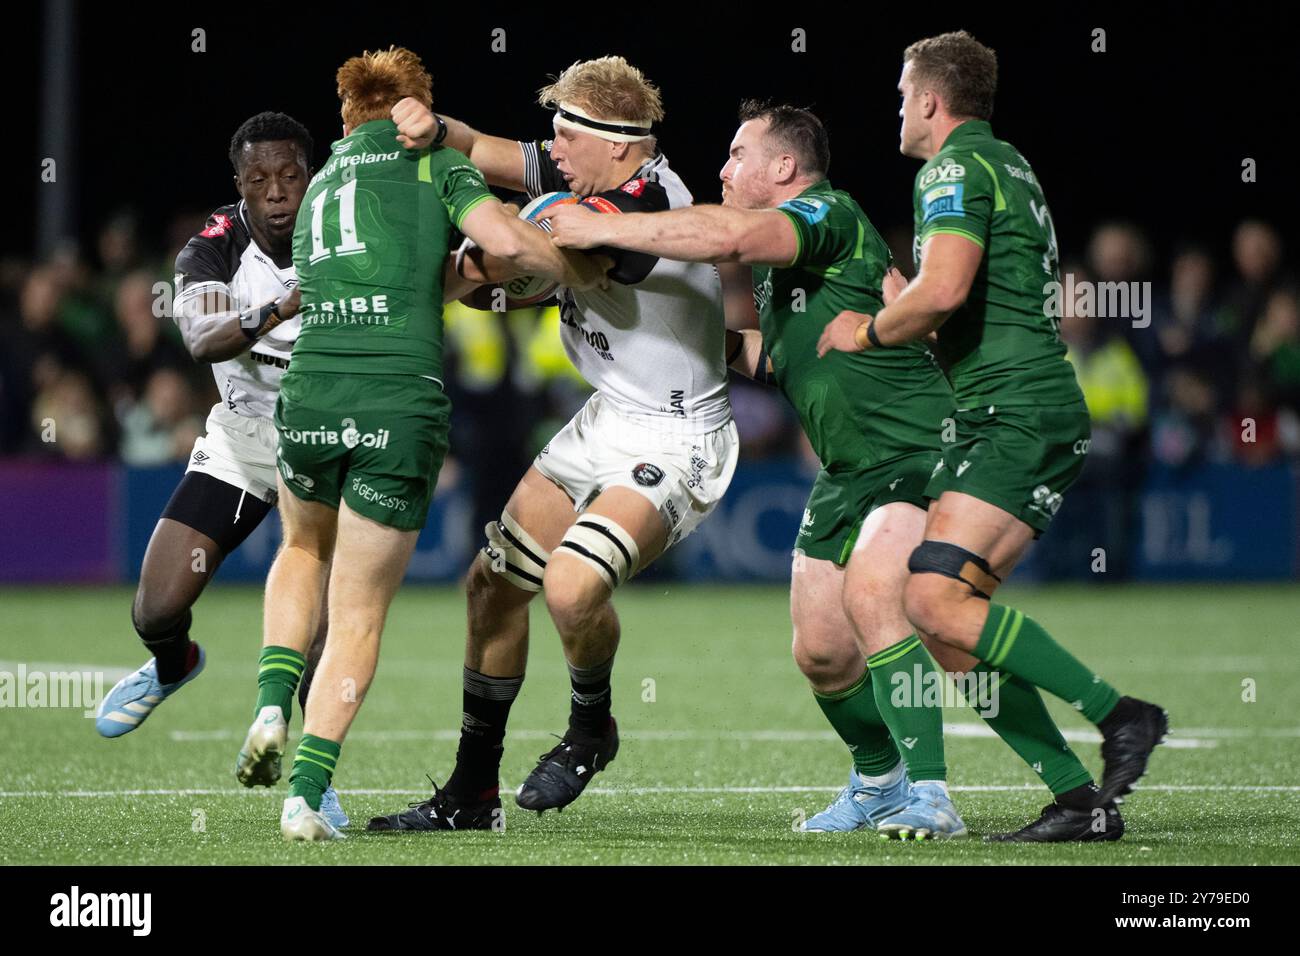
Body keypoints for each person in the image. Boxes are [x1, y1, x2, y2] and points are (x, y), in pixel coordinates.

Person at [547, 99, 1119, 841]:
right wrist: (674, 344)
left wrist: (597, 224)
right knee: (820, 648)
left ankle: (934, 794)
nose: (723, 170)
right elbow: (772, 357)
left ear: (783, 167)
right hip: (850, 470)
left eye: (737, 153)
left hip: (920, 452)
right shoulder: (787, 277)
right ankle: (884, 784)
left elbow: (733, 233)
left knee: (887, 598)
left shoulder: (830, 214)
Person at [232, 47, 602, 842]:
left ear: (345, 117)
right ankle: (304, 794)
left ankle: (268, 704)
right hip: (396, 401)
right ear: (418, 109)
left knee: (301, 552)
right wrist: (554, 262)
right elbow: (510, 250)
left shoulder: (323, 178)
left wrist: (449, 274)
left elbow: (383, 274)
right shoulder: (435, 162)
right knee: (358, 613)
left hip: (311, 391)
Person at [368, 56, 746, 832]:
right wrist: (427, 127)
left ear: (618, 144)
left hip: (677, 435)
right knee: (491, 585)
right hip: (608, 416)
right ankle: (471, 796)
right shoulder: (588, 170)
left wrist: (467, 251)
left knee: (572, 589)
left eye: (566, 136)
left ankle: (590, 724)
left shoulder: (646, 202)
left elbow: (540, 259)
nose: (553, 149)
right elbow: (478, 148)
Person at [817, 30, 1167, 840]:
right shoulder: (1008, 164)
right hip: (1008, 407)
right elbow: (965, 308)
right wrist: (918, 310)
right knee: (946, 624)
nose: (898, 109)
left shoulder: (950, 168)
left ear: (933, 100)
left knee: (933, 598)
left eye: (904, 94)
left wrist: (868, 329)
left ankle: (1123, 716)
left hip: (1016, 411)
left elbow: (942, 294)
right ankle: (1081, 801)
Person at [95, 112, 350, 829]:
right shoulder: (214, 246)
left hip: (327, 441)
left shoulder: (344, 229)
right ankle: (173, 665)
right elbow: (204, 337)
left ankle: (313, 778)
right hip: (244, 439)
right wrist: (283, 304)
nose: (276, 193)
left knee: (324, 632)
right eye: (259, 179)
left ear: (313, 174)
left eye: (290, 175)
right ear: (238, 184)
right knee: (155, 607)